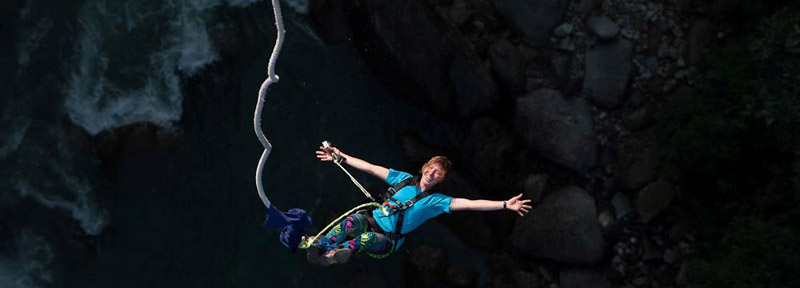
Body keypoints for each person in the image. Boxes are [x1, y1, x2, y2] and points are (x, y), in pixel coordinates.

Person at [307, 146, 533, 266]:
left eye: (438, 174)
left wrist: (504, 204)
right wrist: (340, 156)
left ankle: (332, 257)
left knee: (366, 239)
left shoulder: (435, 202)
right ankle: (322, 245)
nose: (432, 174)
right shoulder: (402, 179)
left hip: (387, 241)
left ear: (440, 180)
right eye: (431, 169)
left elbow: (471, 204)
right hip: (371, 219)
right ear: (424, 167)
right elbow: (369, 167)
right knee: (352, 221)